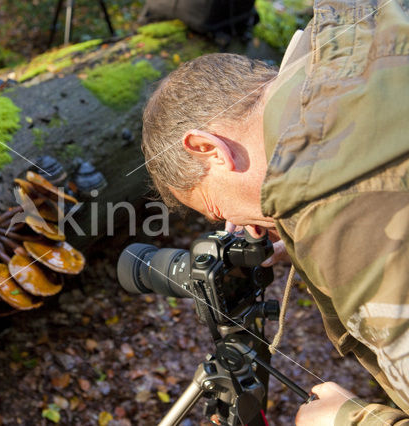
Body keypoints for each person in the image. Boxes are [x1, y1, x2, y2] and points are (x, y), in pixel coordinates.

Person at [140, 0, 409, 424]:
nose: (236, 227)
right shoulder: (365, 36)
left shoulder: (338, 215)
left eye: (215, 209)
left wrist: (350, 421)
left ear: (208, 148)